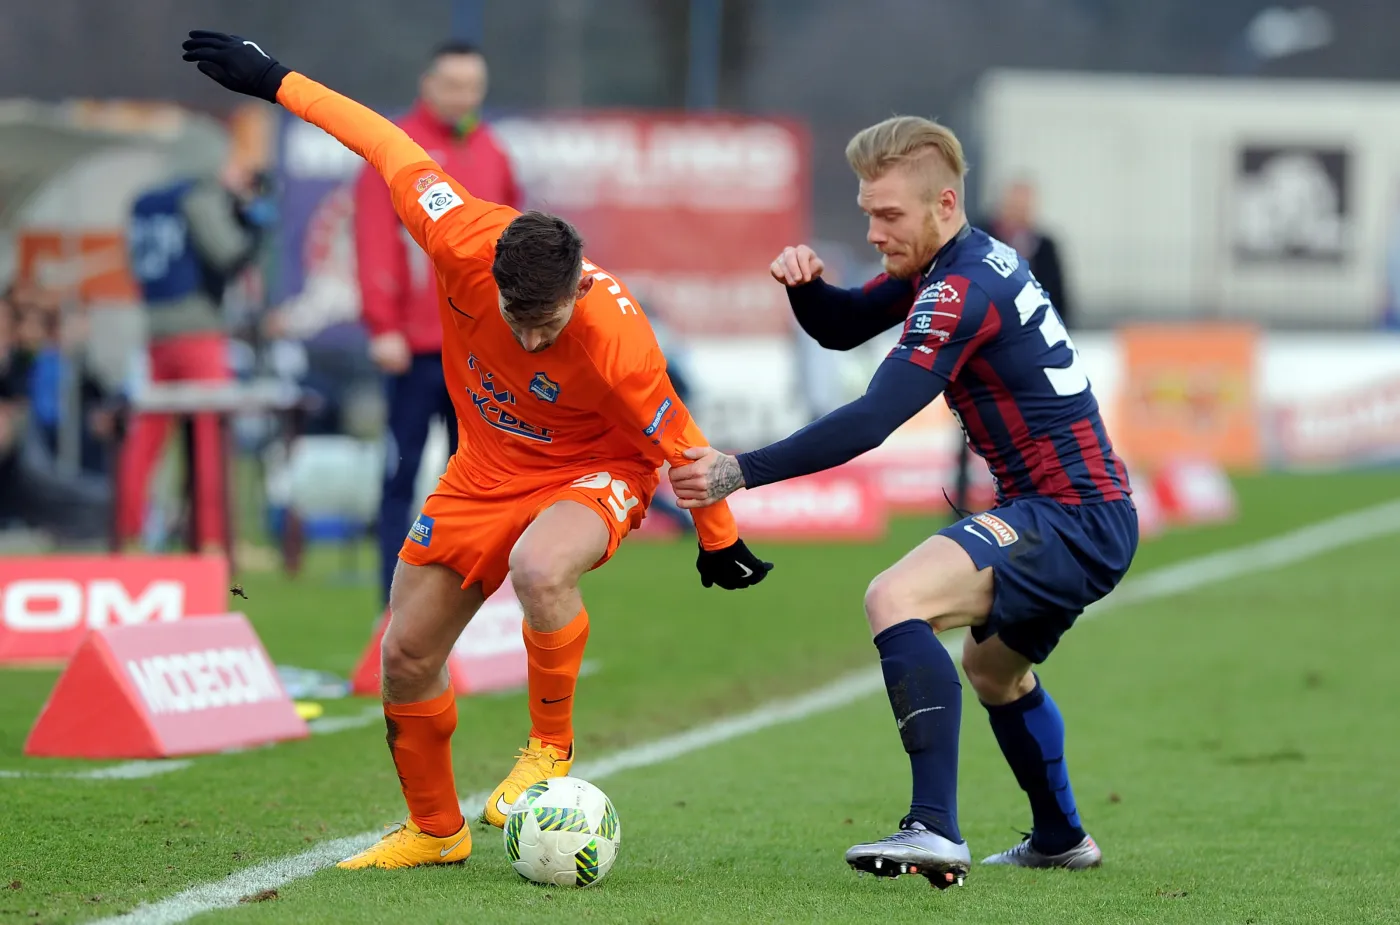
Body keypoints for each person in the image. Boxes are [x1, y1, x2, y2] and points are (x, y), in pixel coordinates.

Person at [181, 30, 772, 870]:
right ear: (489, 275)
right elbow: (383, 142)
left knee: (540, 569)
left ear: (575, 289)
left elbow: (683, 444)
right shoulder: (458, 236)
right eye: (520, 318)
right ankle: (434, 829)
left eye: (551, 321)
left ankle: (550, 749)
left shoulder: (617, 337)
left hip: (592, 468)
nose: (535, 339)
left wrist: (719, 539)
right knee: (405, 651)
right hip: (485, 468)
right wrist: (273, 80)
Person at [670, 116, 1136, 887]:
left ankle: (935, 828)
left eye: (888, 215)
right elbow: (845, 323)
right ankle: (1060, 837)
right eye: (866, 213)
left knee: (895, 596)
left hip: (1068, 514)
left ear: (944, 203)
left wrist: (737, 471)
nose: (874, 230)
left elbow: (871, 419)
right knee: (993, 671)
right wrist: (806, 289)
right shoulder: (956, 261)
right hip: (1080, 511)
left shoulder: (961, 287)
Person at [355, 41, 522, 605]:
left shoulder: (492, 152)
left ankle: (471, 596)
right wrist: (383, 324)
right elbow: (376, 240)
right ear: (428, 84)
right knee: (400, 475)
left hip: (481, 349)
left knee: (482, 477)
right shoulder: (398, 148)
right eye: (453, 86)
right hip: (416, 347)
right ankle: (391, 601)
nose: (463, 98)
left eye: (473, 87)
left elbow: (516, 242)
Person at [119, 161, 275, 551]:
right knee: (212, 437)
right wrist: (255, 225)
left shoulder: (148, 202)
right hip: (200, 331)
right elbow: (227, 253)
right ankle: (213, 539)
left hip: (157, 332)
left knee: (147, 437)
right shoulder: (199, 194)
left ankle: (128, 533)